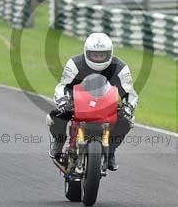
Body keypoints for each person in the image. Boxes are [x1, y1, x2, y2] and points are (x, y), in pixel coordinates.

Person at [48, 32, 137, 171]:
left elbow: (129, 92)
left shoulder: (120, 67)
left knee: (127, 121)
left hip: (107, 104)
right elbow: (63, 86)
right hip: (77, 101)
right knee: (56, 116)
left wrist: (128, 107)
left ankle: (111, 150)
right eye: (95, 55)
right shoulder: (75, 64)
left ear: (110, 54)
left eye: (102, 55)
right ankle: (58, 143)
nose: (98, 58)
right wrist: (63, 101)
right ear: (86, 53)